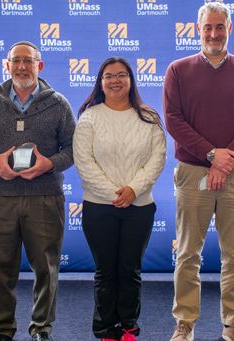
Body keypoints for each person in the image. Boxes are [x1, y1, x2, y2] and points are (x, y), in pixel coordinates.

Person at [163, 2, 234, 341]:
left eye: (220, 27)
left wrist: (226, 159)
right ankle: (184, 323)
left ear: (230, 29)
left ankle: (233, 323)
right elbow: (174, 121)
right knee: (188, 253)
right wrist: (211, 154)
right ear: (198, 29)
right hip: (193, 172)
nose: (213, 33)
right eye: (208, 27)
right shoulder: (178, 70)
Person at [0, 41, 75, 341]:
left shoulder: (59, 104)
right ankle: (2, 330)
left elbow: (72, 149)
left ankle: (41, 327)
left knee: (47, 268)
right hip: (1, 198)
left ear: (39, 65)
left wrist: (49, 164)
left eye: (28, 61)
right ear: (7, 65)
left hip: (45, 198)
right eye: (15, 61)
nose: (21, 66)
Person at [73, 57, 166, 341]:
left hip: (139, 207)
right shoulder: (89, 117)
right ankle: (104, 328)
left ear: (131, 80)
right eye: (108, 76)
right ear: (100, 82)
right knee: (105, 271)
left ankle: (128, 325)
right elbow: (84, 162)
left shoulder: (149, 118)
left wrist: (133, 190)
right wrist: (115, 193)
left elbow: (157, 158)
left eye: (121, 75)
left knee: (129, 269)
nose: (115, 80)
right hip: (99, 207)